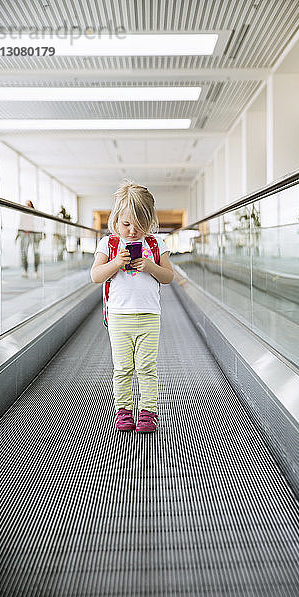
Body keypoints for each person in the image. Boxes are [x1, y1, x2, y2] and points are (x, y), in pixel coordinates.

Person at [90, 181, 174, 433]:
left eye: (140, 225)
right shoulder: (109, 245)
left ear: (150, 222)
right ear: (116, 220)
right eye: (126, 224)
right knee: (123, 367)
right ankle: (123, 410)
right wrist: (116, 263)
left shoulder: (156, 245)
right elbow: (96, 275)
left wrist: (150, 266)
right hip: (119, 317)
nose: (132, 231)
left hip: (149, 316)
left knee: (147, 367)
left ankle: (149, 411)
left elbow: (168, 277)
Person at [16, 200, 44, 278]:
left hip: (34, 234)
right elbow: (20, 224)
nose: (27, 206)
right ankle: (25, 270)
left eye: (28, 204)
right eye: (26, 204)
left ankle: (36, 270)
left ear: (31, 205)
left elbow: (39, 224)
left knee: (36, 253)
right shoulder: (22, 214)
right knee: (24, 253)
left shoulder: (35, 214)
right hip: (24, 234)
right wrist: (18, 235)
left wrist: (41, 234)